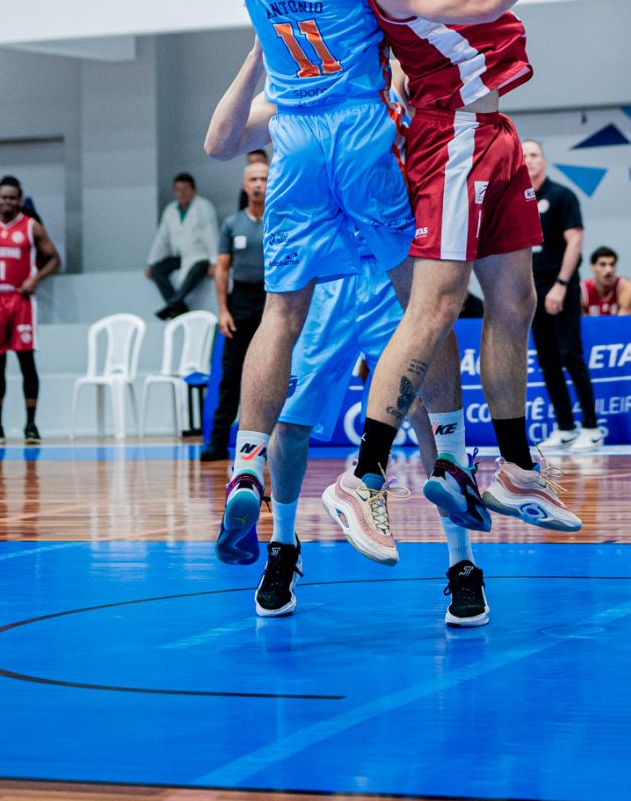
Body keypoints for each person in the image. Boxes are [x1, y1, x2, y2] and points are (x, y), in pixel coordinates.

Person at [213, 0, 466, 565]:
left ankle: (246, 468)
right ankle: (451, 457)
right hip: (359, 132)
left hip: (291, 143)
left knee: (281, 312)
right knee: (419, 304)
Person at [327, 0, 607, 561]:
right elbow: (483, 0)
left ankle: (516, 471)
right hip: (450, 139)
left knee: (515, 299)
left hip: (495, 134)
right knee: (435, 307)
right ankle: (362, 478)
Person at [204, 50, 489, 626]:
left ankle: (462, 563)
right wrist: (259, 54)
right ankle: (282, 549)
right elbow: (221, 140)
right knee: (292, 421)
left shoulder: (393, 72)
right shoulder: (298, 90)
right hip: (328, 281)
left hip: (393, 272)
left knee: (424, 411)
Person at [523, 139, 602, 451]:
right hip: (533, 288)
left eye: (534, 155)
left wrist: (561, 283)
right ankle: (565, 426)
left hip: (561, 285)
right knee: (547, 359)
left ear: (544, 160)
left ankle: (591, 427)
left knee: (571, 354)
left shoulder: (561, 195)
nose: (529, 160)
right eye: (524, 155)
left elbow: (575, 241)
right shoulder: (518, 199)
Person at [0, 176, 60, 444]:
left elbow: (55, 259)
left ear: (20, 201)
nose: (8, 201)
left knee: (26, 363)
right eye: (4, 197)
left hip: (21, 302)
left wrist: (35, 278)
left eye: (13, 197)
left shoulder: (31, 226)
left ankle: (31, 425)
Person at [199, 151, 269, 463]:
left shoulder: (279, 221)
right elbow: (222, 269)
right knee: (230, 377)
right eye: (253, 179)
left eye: (263, 179)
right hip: (239, 304)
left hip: (271, 304)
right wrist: (223, 310)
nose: (258, 185)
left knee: (270, 375)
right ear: (244, 185)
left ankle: (270, 444)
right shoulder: (232, 224)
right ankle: (216, 443)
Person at [145, 174, 219, 319]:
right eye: (178, 189)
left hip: (202, 255)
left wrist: (215, 262)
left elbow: (211, 234)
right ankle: (178, 307)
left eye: (185, 189)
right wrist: (152, 262)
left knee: (196, 270)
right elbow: (161, 238)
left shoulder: (203, 207)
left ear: (194, 190)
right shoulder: (170, 210)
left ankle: (172, 304)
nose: (181, 193)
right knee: (157, 270)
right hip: (181, 255)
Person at [582, 246, 631, 315]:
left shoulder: (625, 288)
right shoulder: (582, 291)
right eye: (603, 265)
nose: (609, 270)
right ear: (593, 267)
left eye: (612, 265)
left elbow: (624, 320)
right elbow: (576, 320)